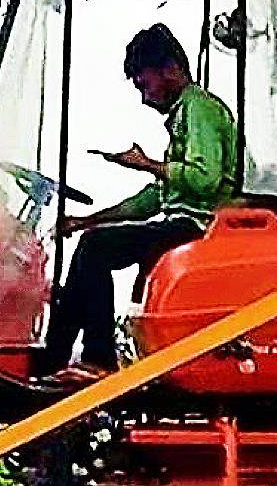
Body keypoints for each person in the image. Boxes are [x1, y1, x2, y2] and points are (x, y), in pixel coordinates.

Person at [41, 23, 237, 382]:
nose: (144, 97)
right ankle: (51, 362)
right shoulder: (184, 114)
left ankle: (98, 359)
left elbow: (204, 179)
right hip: (181, 220)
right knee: (90, 244)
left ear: (170, 69)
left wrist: (147, 164)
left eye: (144, 85)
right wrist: (86, 220)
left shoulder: (200, 110)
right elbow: (154, 199)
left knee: (96, 249)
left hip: (199, 226)